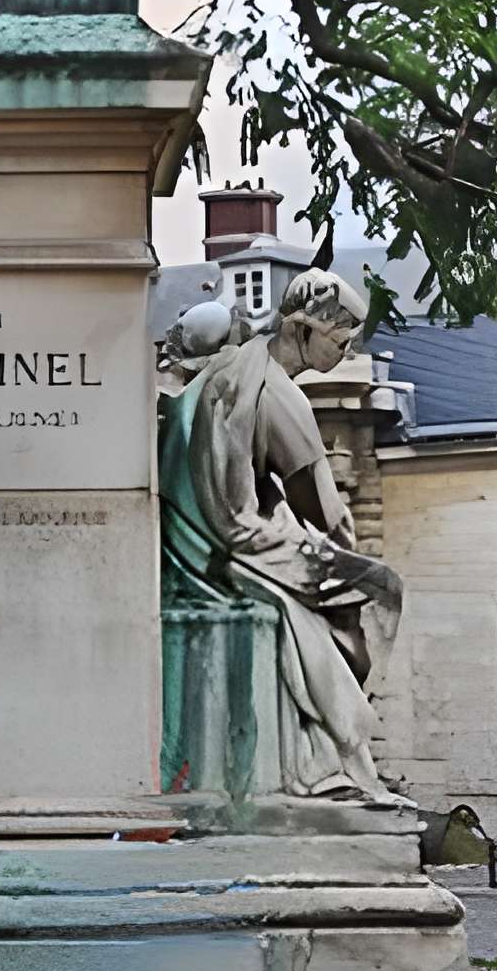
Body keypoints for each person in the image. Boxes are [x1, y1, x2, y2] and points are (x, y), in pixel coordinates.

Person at [158, 271, 405, 802]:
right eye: (339, 340)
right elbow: (327, 513)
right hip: (233, 546)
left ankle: (333, 752)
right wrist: (344, 557)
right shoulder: (277, 393)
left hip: (193, 538)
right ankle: (336, 754)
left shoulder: (232, 366)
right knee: (378, 586)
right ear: (301, 329)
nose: (345, 352)